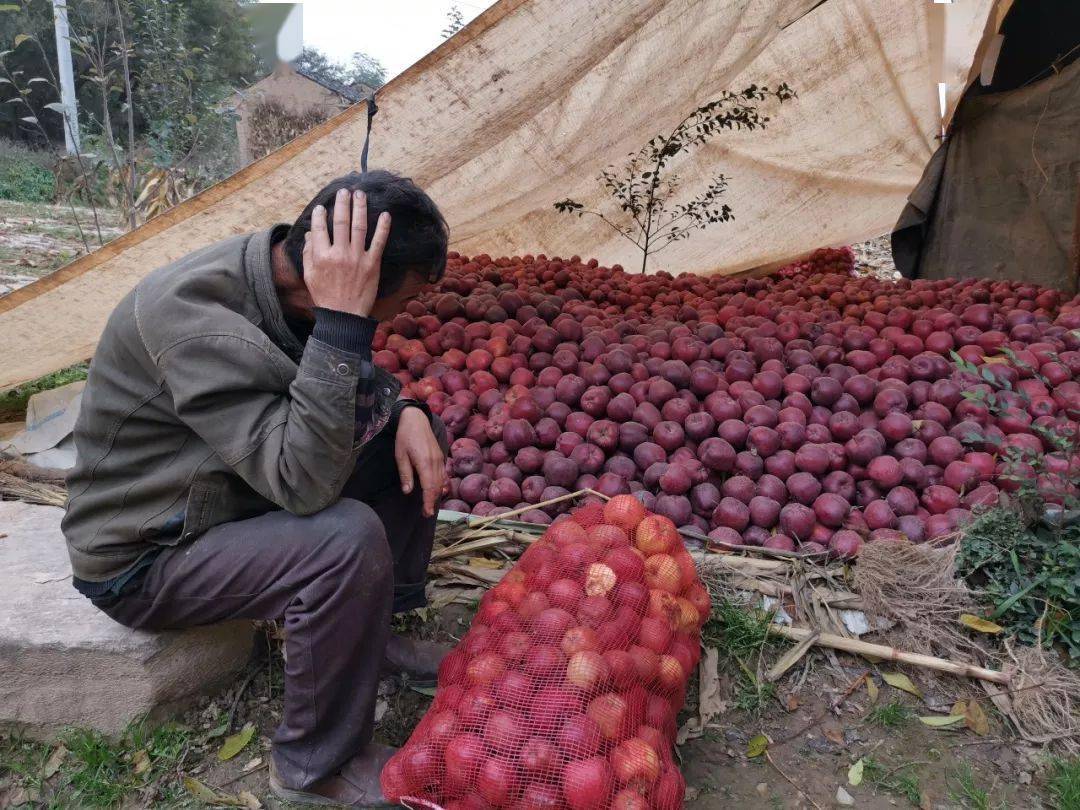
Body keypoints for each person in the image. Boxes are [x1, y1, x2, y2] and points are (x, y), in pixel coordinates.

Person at [62, 170, 452, 806]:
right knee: (343, 540)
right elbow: (303, 485)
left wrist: (406, 409)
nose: (402, 317)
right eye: (398, 303)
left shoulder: (281, 277)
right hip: (150, 553)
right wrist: (345, 326)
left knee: (410, 437)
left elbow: (333, 398)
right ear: (344, 277)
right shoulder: (197, 321)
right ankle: (313, 765)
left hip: (228, 490)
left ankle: (373, 636)